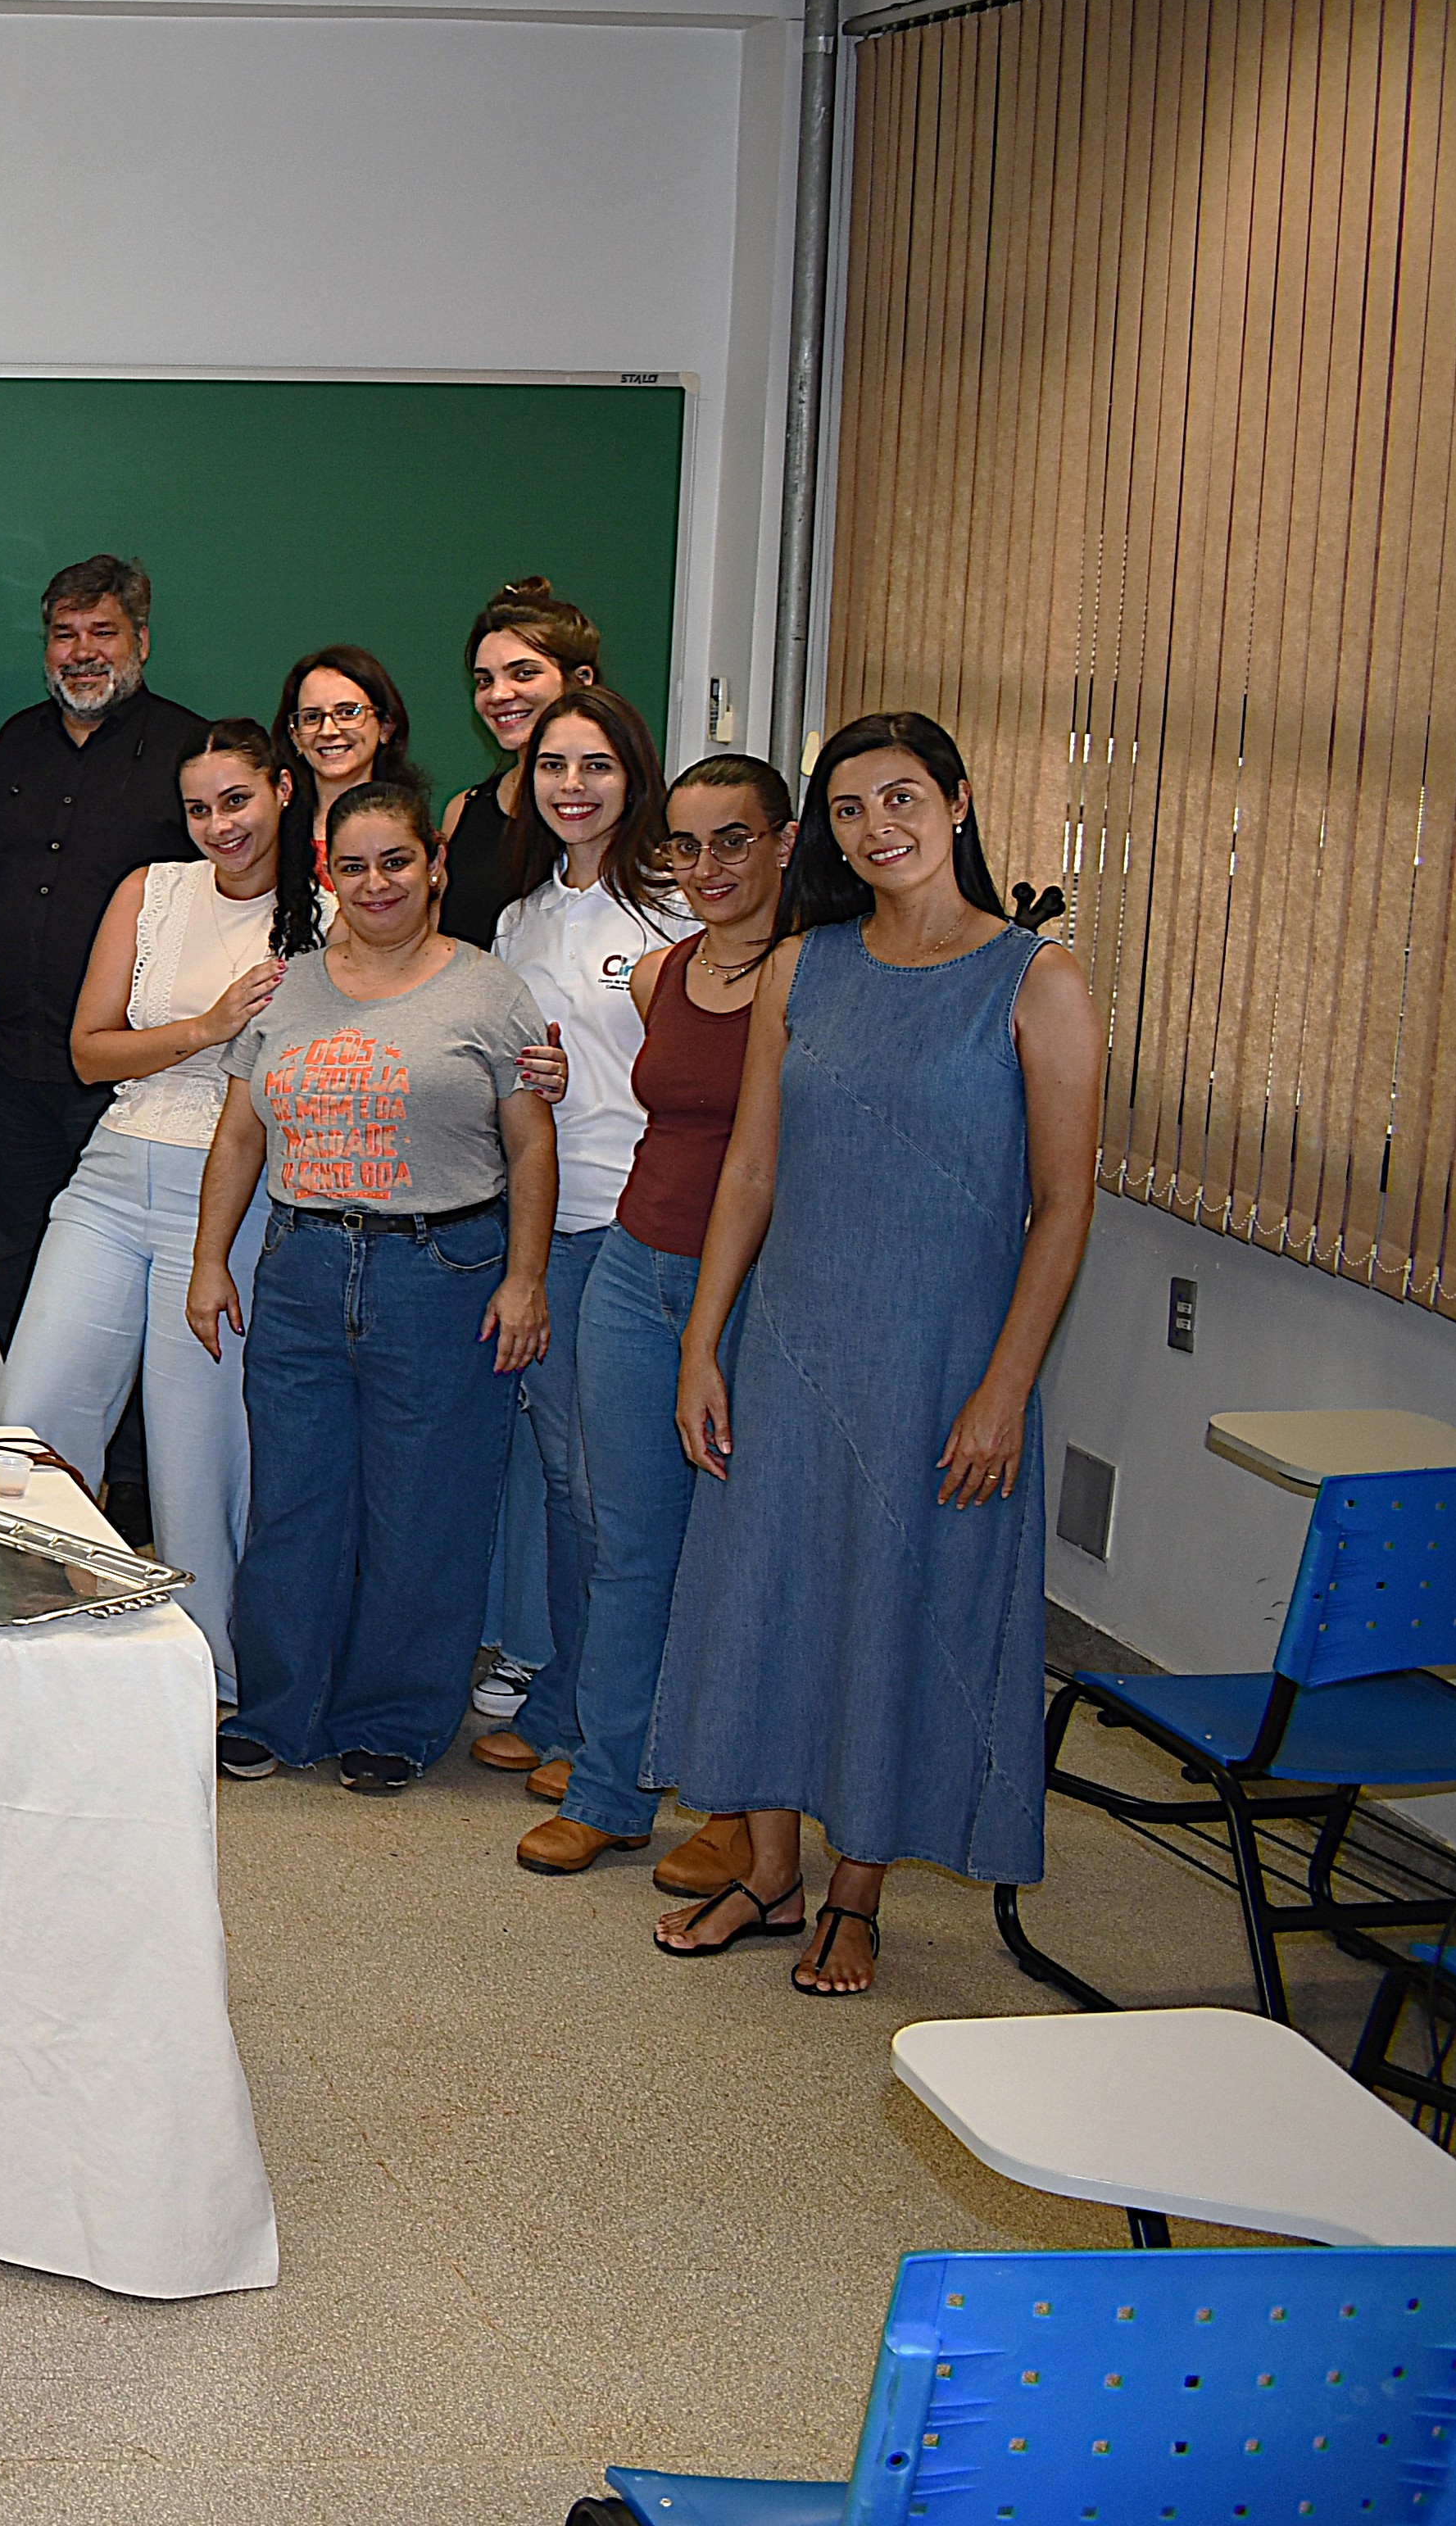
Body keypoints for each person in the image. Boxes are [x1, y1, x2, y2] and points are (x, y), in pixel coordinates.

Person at [646, 713, 1099, 1998]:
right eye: (849, 810)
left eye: (900, 799)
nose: (876, 829)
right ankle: (771, 1872)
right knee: (767, 1591)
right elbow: (749, 1168)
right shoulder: (806, 966)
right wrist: (701, 1341)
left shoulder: (1035, 981)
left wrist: (1005, 1389)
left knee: (901, 1607)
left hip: (944, 1358)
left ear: (956, 804)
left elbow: (1062, 1205)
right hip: (790, 1339)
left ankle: (861, 1889)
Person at [191, 778, 556, 1793]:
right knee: (294, 1505)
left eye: (396, 860)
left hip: (442, 1272)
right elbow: (239, 1131)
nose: (376, 882)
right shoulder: (286, 987)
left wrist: (525, 1279)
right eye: (351, 866)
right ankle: (278, 1710)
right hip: (301, 1266)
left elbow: (531, 1146)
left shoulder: (490, 990)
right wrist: (209, 1256)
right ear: (327, 877)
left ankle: (392, 1718)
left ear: (435, 866)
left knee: (421, 1512)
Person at [516, 751, 792, 1888]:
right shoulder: (662, 976)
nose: (710, 865)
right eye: (688, 844)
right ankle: (611, 1788)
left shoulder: (816, 978)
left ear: (782, 843)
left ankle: (730, 1806)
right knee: (626, 1544)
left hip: (760, 1296)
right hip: (635, 1270)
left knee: (735, 1557)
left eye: (735, 839)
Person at [0, 719, 310, 1696]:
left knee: (194, 1454)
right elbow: (90, 1050)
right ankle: (23, 1643)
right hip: (114, 1175)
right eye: (201, 807)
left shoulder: (332, 919)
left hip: (226, 1204)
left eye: (238, 800)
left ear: (283, 792)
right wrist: (205, 1028)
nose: (221, 825)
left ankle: (207, 1680)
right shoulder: (150, 891)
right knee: (33, 1411)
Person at [466, 681, 683, 1790]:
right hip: (547, 1221)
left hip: (641, 1226)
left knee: (615, 1492)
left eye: (594, 766)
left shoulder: (677, 908)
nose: (572, 787)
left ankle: (619, 1733)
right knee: (561, 1477)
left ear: (630, 775)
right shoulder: (521, 917)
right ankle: (564, 1699)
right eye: (554, 768)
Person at [0, 556, 213, 1517]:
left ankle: (140, 1498)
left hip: (136, 1085)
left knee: (146, 1304)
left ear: (140, 640)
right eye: (65, 635)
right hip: (20, 1067)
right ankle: (52, 1478)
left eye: (102, 633)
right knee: (17, 1272)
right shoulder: (14, 743)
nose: (82, 653)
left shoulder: (189, 751)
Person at [435, 582, 601, 949]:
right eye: (484, 681)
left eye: (524, 674)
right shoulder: (462, 812)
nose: (499, 694)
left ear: (581, 681)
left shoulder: (623, 809)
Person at [269, 644, 423, 916]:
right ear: (295, 737)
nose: (328, 731)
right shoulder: (270, 842)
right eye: (312, 717)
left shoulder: (415, 834)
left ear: (386, 726)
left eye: (348, 712)